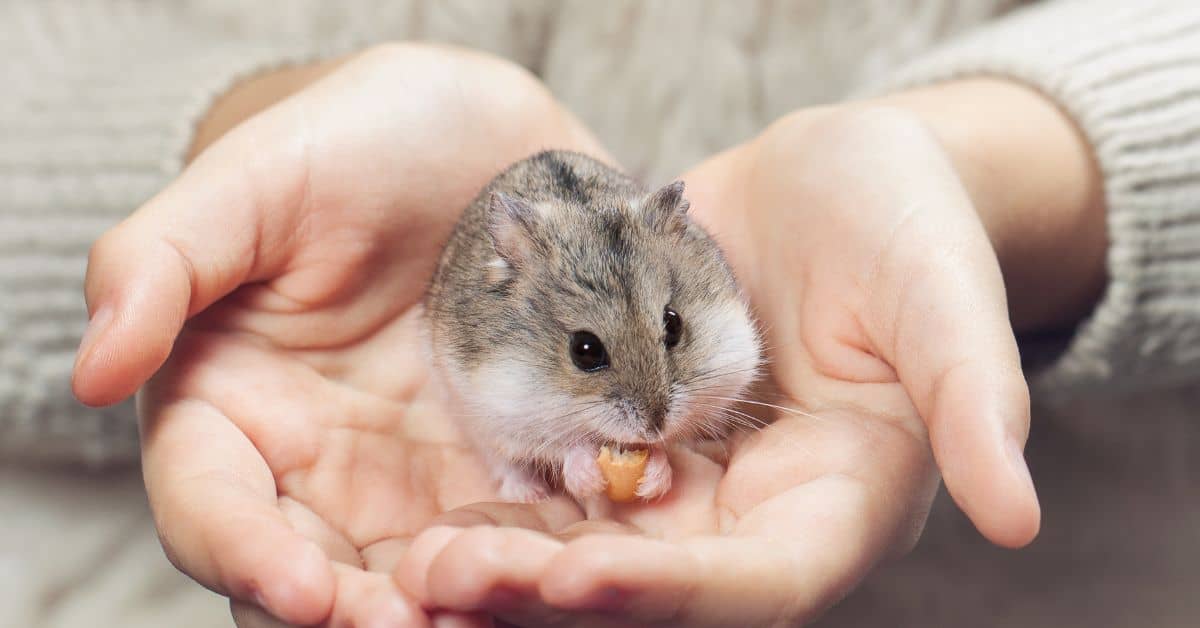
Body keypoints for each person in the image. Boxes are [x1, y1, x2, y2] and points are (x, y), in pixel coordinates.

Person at [5, 1, 1196, 626]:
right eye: (592, 359)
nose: (653, 403)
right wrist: (245, 148)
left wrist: (991, 176)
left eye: (670, 346)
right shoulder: (485, 312)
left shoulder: (694, 287)